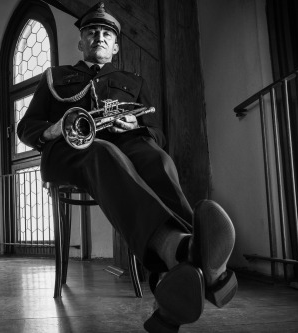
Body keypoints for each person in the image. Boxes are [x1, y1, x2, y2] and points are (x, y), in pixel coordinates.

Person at [16, 2, 238, 332]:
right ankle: (206, 267)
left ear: (116, 46)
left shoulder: (131, 81)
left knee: (156, 158)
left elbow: (158, 134)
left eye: (107, 33)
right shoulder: (56, 77)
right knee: (103, 153)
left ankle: (175, 270)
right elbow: (26, 127)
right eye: (92, 31)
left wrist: (136, 123)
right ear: (81, 42)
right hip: (69, 153)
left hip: (127, 145)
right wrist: (54, 128)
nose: (99, 36)